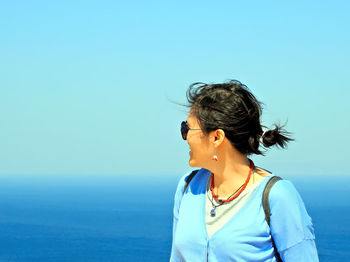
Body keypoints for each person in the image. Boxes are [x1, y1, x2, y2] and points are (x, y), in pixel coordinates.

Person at [170, 80, 319, 261]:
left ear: (217, 137)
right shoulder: (188, 186)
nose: (184, 137)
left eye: (187, 128)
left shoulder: (277, 195)